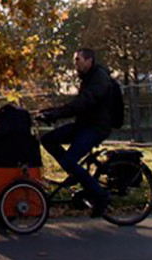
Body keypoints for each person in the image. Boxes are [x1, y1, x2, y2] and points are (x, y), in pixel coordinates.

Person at [37, 48, 117, 217]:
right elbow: (77, 104)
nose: (75, 64)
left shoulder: (99, 79)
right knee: (48, 139)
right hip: (83, 125)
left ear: (89, 60)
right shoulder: (88, 78)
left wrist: (57, 114)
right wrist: (50, 113)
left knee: (69, 160)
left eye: (78, 60)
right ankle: (75, 173)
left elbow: (83, 103)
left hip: (96, 127)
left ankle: (101, 195)